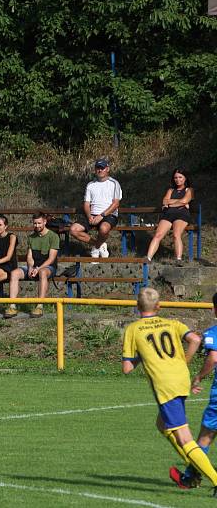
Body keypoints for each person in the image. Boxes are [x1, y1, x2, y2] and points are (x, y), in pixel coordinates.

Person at [122, 287, 217, 496]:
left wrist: (141, 356)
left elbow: (127, 368)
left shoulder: (134, 329)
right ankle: (195, 467)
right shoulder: (173, 323)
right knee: (162, 424)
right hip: (181, 378)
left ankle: (206, 475)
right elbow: (195, 339)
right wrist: (185, 360)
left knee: (184, 436)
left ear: (138, 306)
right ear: (159, 306)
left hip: (165, 384)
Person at [172, 293, 217, 490]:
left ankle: (190, 477)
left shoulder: (213, 332)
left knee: (206, 436)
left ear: (214, 309)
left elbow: (214, 358)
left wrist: (198, 377)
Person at [4, 213, 59, 319]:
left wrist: (38, 268)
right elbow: (29, 256)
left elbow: (51, 259)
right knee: (14, 273)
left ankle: (39, 305)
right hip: (34, 266)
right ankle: (12, 305)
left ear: (44, 222)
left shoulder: (53, 236)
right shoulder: (31, 237)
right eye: (35, 223)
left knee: (43, 273)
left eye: (39, 223)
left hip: (48, 267)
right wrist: (30, 268)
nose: (37, 225)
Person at [69, 158, 122, 260]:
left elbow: (115, 204)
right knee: (73, 230)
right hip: (92, 215)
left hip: (108, 215)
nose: (100, 170)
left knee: (103, 228)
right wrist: (89, 216)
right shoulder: (90, 185)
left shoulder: (114, 183)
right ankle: (99, 245)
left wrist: (101, 215)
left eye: (102, 168)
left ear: (107, 169)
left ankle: (96, 248)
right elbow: (86, 204)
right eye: (98, 168)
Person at [146, 168, 194, 266]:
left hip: (181, 215)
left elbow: (185, 200)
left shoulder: (189, 190)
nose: (178, 179)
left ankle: (178, 259)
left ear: (185, 178)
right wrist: (179, 202)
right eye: (175, 177)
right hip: (168, 214)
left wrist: (172, 202)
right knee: (158, 235)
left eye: (180, 177)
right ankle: (148, 258)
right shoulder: (171, 190)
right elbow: (165, 201)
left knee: (176, 234)